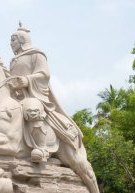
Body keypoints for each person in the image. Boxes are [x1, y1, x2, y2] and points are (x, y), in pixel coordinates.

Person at [9, 23, 82, 162]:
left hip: (31, 94)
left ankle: (42, 149)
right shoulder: (14, 60)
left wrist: (27, 80)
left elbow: (44, 74)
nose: (10, 43)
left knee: (32, 109)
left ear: (22, 40)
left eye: (13, 40)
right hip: (15, 95)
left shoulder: (36, 54)